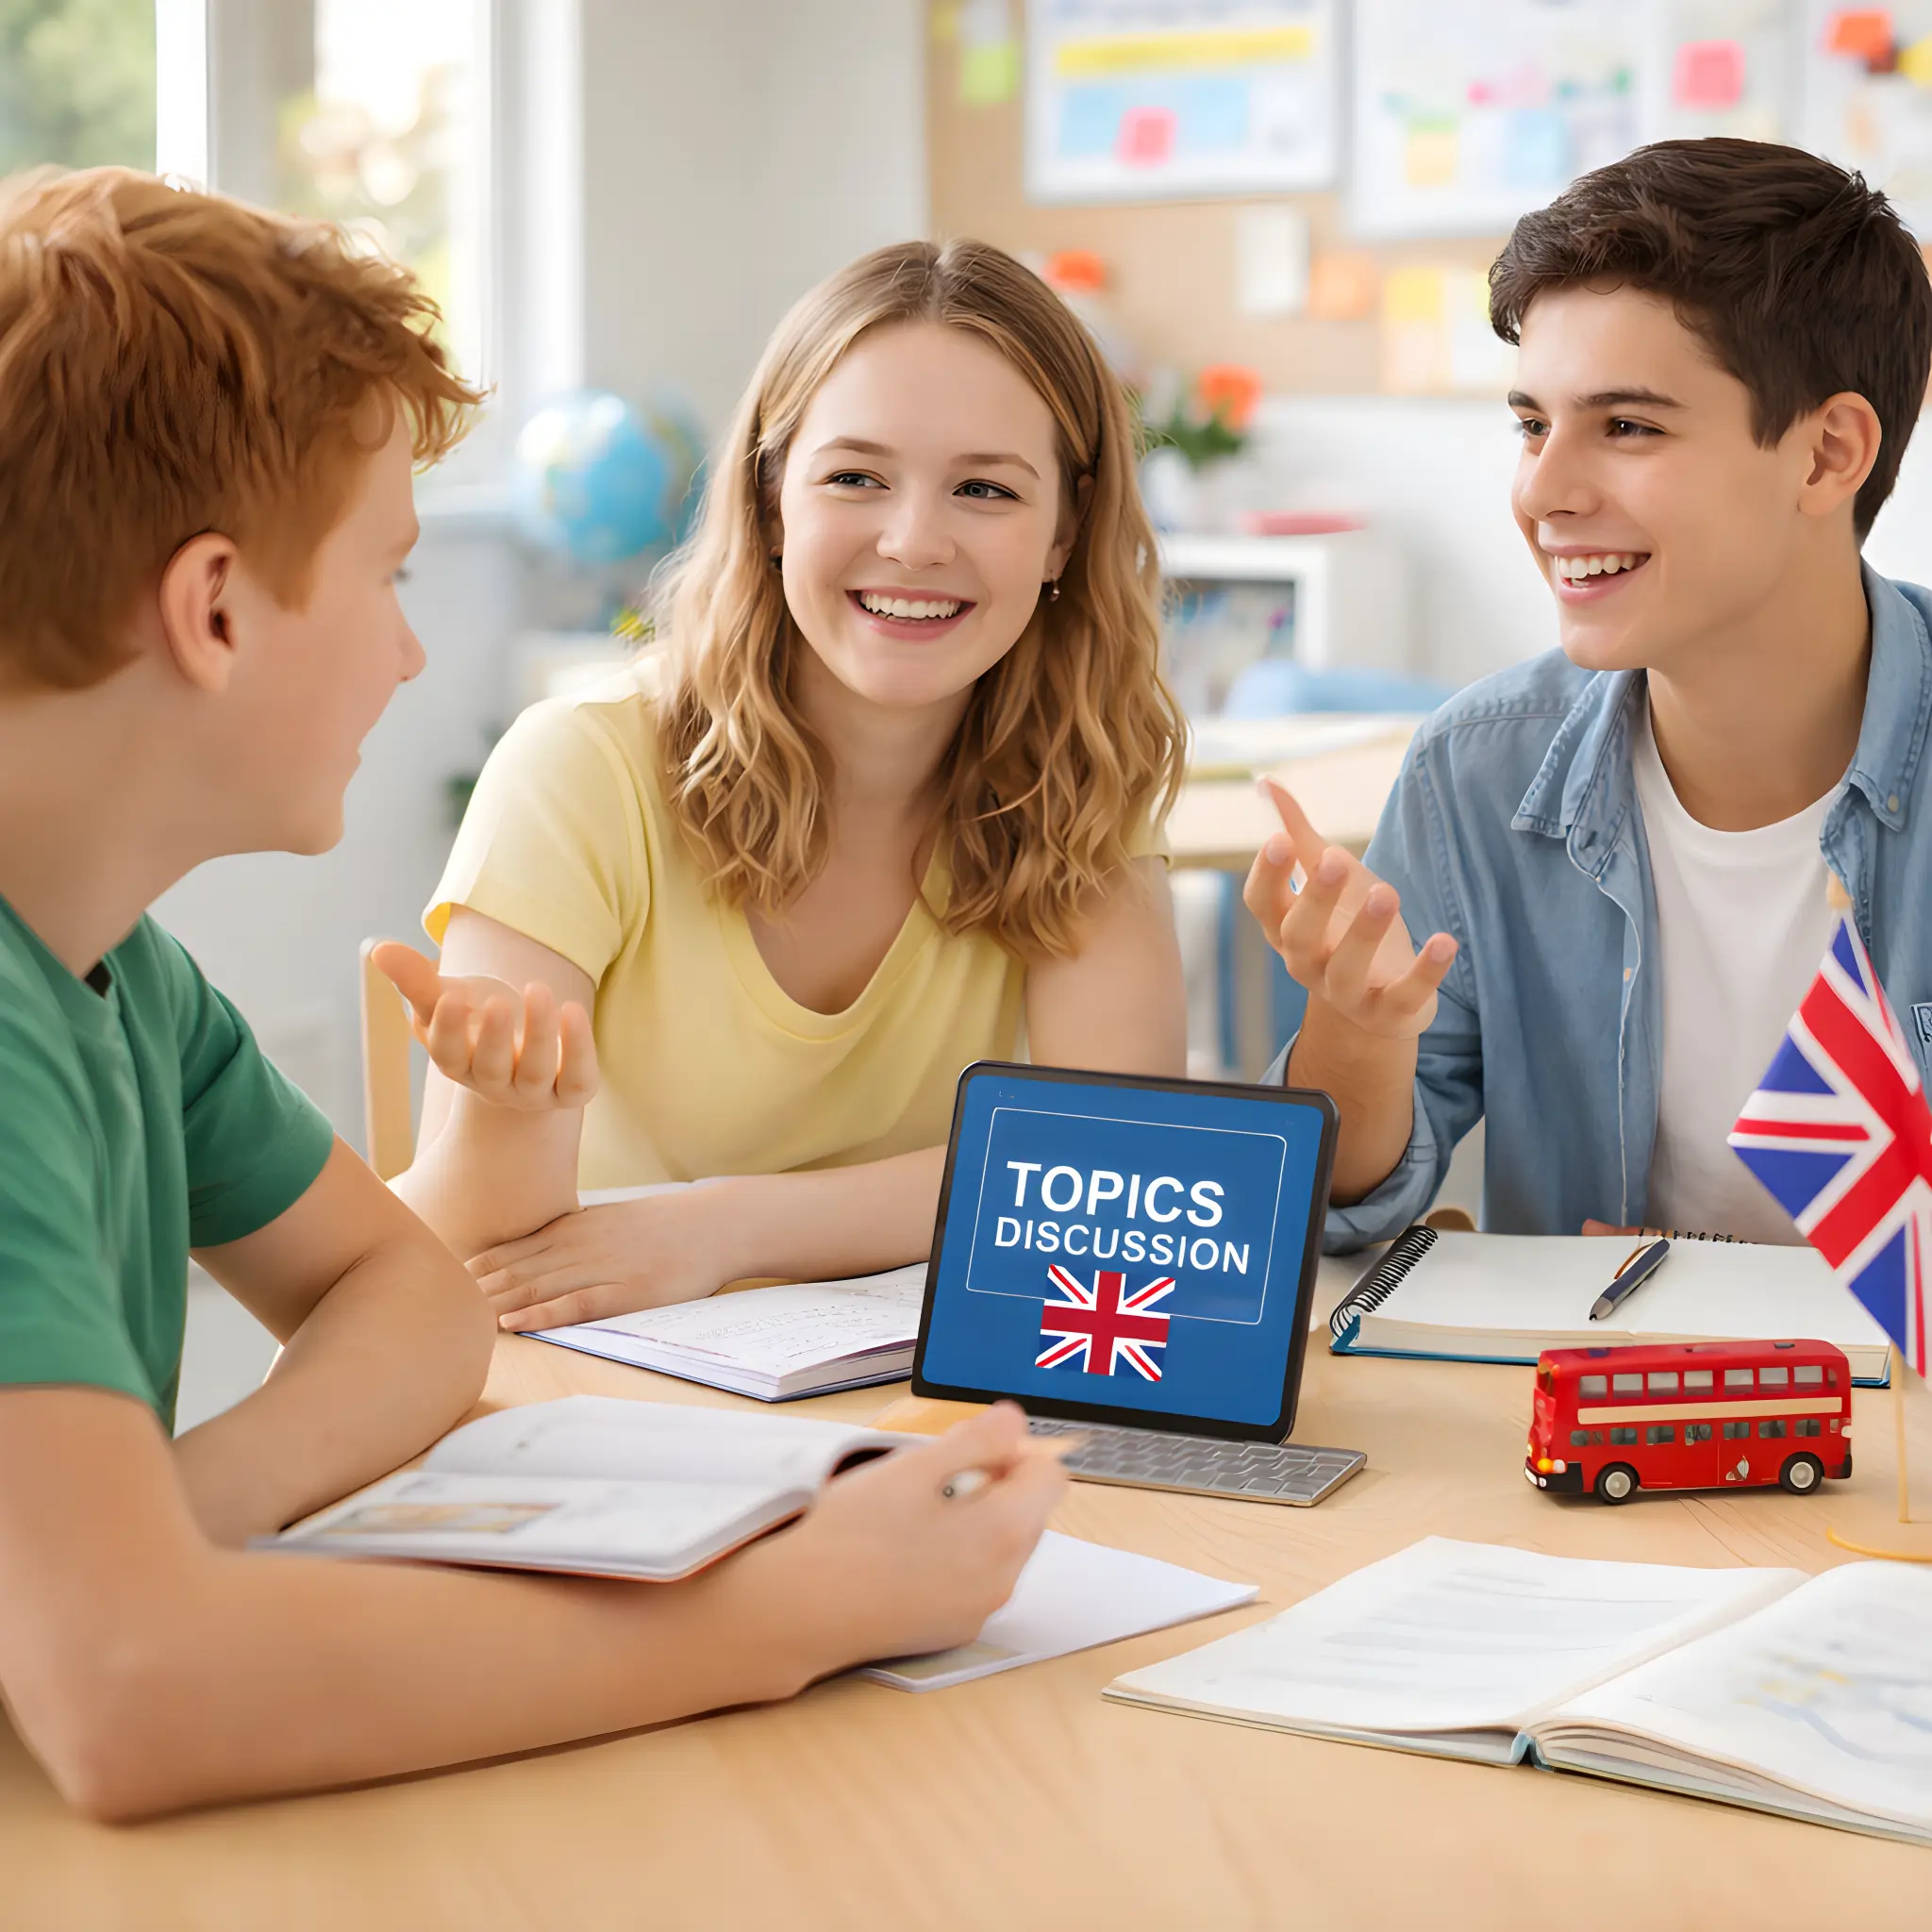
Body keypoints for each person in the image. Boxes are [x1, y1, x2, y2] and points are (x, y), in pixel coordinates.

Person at [0, 168, 1064, 1823]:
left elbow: (410, 1298)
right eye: (392, 578)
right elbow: (135, 1695)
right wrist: (794, 1604)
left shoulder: (116, 971)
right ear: (214, 610)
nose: (412, 656)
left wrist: (170, 1519)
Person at [378, 239, 1188, 1332]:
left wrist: (723, 1229)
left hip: (913, 1402)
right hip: (600, 1377)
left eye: (985, 489)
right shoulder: (578, 767)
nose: (912, 541)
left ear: (1064, 534)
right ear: (768, 500)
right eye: (855, 477)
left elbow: (1111, 1167)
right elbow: (481, 1226)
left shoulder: (1080, 778)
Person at [1243, 139, 1932, 1249]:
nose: (1540, 490)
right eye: (1529, 423)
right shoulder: (1474, 771)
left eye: (1625, 426)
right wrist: (1357, 1031)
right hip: (1602, 1410)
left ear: (1824, 454)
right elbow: (1338, 1208)